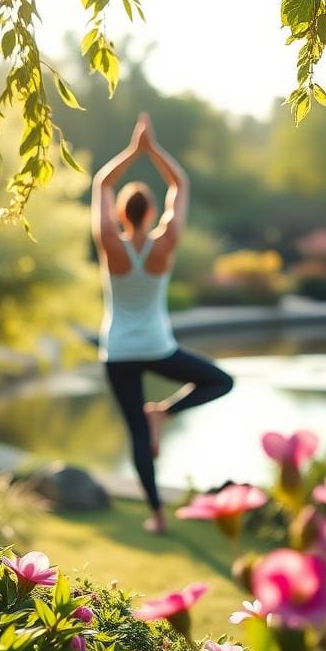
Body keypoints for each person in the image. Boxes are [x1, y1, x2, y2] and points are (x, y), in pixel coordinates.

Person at [91, 113, 234, 534]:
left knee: (136, 435)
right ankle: (166, 413)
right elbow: (181, 185)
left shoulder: (109, 242)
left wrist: (132, 153)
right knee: (220, 381)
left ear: (120, 211)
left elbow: (102, 183)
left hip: (117, 351)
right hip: (157, 347)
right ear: (152, 210)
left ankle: (156, 515)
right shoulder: (166, 242)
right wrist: (152, 152)